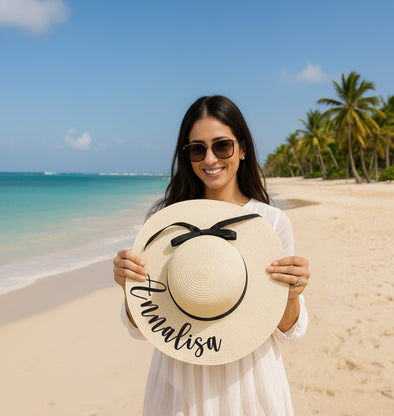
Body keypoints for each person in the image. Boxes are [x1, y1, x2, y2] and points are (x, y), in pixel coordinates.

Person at [113, 95, 310, 415]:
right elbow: (143, 325)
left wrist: (292, 294)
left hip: (249, 381)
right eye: (196, 148)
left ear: (242, 148)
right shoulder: (165, 223)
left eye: (222, 146)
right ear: (186, 155)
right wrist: (127, 286)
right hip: (179, 380)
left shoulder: (272, 223)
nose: (210, 158)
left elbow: (286, 331)